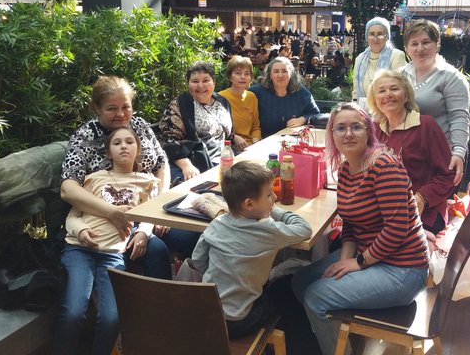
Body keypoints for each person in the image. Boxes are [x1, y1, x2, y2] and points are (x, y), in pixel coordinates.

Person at [292, 102, 429, 355]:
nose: (348, 134)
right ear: (331, 134)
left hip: (403, 269)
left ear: (369, 131)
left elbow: (397, 229)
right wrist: (344, 261)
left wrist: (358, 263)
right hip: (372, 255)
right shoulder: (346, 169)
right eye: (340, 128)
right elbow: (351, 223)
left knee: (316, 296)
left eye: (356, 127)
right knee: (300, 282)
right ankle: (335, 337)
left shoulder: (384, 167)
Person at [61, 76, 195, 280]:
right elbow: (68, 188)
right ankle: (157, 299)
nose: (121, 114)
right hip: (109, 218)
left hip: (151, 207)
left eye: (126, 107)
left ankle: (199, 291)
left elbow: (161, 164)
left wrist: (157, 208)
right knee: (155, 251)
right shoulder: (85, 137)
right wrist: (112, 212)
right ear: (96, 108)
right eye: (112, 108)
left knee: (196, 235)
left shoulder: (139, 126)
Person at [54, 127, 158, 355]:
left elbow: (150, 215)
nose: (124, 146)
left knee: (112, 318)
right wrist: (81, 230)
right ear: (108, 153)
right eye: (117, 143)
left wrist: (144, 232)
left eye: (129, 142)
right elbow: (73, 215)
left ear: (138, 149)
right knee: (73, 312)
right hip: (79, 249)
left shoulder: (148, 182)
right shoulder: (95, 178)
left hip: (112, 254)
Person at [190, 161, 312, 338]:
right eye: (269, 195)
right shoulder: (268, 231)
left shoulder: (216, 223)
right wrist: (275, 211)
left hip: (207, 313)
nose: (274, 198)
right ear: (249, 204)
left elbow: (197, 261)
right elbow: (304, 229)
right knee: (279, 296)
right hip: (237, 321)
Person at [368, 70, 455, 234]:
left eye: (394, 89)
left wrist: (422, 198)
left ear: (406, 95)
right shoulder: (375, 129)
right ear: (375, 100)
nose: (388, 95)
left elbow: (448, 175)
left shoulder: (426, 126)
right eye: (381, 91)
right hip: (384, 212)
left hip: (423, 213)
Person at [400, 19, 470, 186]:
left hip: (438, 157)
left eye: (426, 42)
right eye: (414, 44)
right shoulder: (400, 75)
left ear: (437, 44)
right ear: (406, 48)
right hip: (407, 155)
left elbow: (459, 116)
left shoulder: (451, 77)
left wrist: (459, 152)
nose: (420, 48)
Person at [159, 61, 234, 182]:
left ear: (214, 82)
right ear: (188, 84)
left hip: (225, 161)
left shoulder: (222, 102)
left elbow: (225, 133)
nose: (200, 85)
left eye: (205, 80)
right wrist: (186, 166)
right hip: (197, 163)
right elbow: (169, 141)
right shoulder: (181, 104)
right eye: (195, 81)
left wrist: (235, 137)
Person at [248, 56, 320, 137]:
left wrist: (302, 119)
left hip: (292, 139)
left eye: (284, 71)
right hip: (263, 139)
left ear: (291, 74)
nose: (280, 75)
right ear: (270, 75)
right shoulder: (257, 91)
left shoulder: (300, 91)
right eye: (276, 71)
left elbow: (315, 113)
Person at [352, 16, 407, 108]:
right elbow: (355, 91)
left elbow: (400, 88)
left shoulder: (396, 56)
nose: (375, 38)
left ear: (387, 37)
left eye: (380, 34)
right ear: (366, 37)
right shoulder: (359, 59)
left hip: (389, 110)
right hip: (364, 110)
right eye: (371, 34)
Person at [218, 55, 261, 150]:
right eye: (238, 73)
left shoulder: (251, 97)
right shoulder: (221, 97)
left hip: (250, 146)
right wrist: (234, 137)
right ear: (230, 77)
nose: (243, 77)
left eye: (247, 73)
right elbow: (218, 129)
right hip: (229, 147)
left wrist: (255, 143)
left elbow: (255, 127)